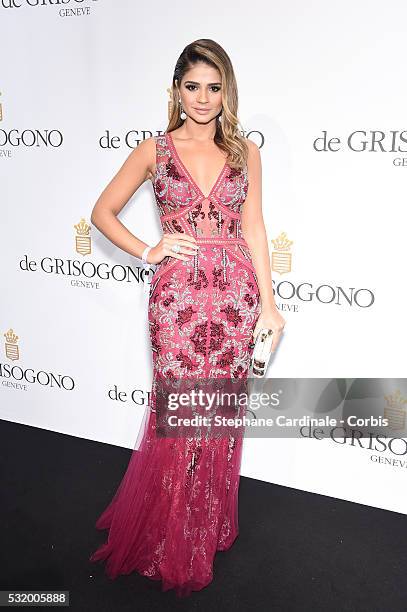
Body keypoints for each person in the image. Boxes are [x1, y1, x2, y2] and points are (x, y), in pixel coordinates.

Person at [88, 38, 286, 598]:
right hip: (177, 300)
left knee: (219, 414)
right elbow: (102, 211)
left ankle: (207, 523)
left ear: (228, 92)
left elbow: (254, 228)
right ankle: (169, 532)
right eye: (192, 86)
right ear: (176, 90)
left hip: (235, 296)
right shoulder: (154, 150)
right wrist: (150, 249)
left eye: (214, 87)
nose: (203, 98)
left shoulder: (247, 153)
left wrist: (268, 303)